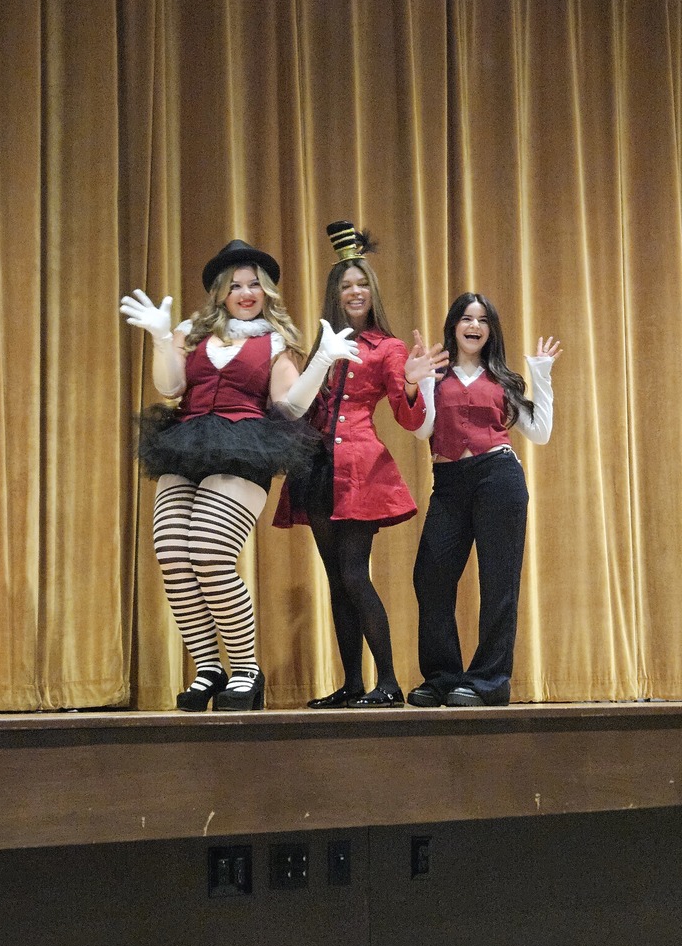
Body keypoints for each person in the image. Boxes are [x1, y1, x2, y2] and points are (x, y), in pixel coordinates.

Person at [120, 240, 358, 712]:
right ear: (220, 293)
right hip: (186, 442)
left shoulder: (274, 341)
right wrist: (162, 339)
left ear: (266, 292)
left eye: (254, 285)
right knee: (171, 551)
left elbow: (289, 406)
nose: (246, 293)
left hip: (245, 446)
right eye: (235, 286)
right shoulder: (191, 332)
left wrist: (323, 362)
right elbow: (169, 387)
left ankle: (247, 670)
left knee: (209, 550)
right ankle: (209, 669)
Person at [274, 221, 448, 708]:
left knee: (354, 575)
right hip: (314, 468)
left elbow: (407, 415)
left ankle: (388, 680)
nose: (355, 291)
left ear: (373, 291)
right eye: (346, 285)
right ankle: (352, 683)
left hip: (358, 469)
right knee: (335, 579)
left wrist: (414, 382)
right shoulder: (323, 343)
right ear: (335, 293)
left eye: (362, 283)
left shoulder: (388, 347)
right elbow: (302, 406)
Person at [406, 291, 562, 708]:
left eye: (483, 320)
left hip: (499, 479)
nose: (474, 326)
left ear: (491, 330)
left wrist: (541, 374)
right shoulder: (436, 375)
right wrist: (415, 380)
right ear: (453, 326)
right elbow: (422, 431)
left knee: (499, 584)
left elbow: (540, 433)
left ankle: (489, 681)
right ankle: (442, 677)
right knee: (430, 578)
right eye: (466, 318)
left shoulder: (504, 380)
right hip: (450, 482)